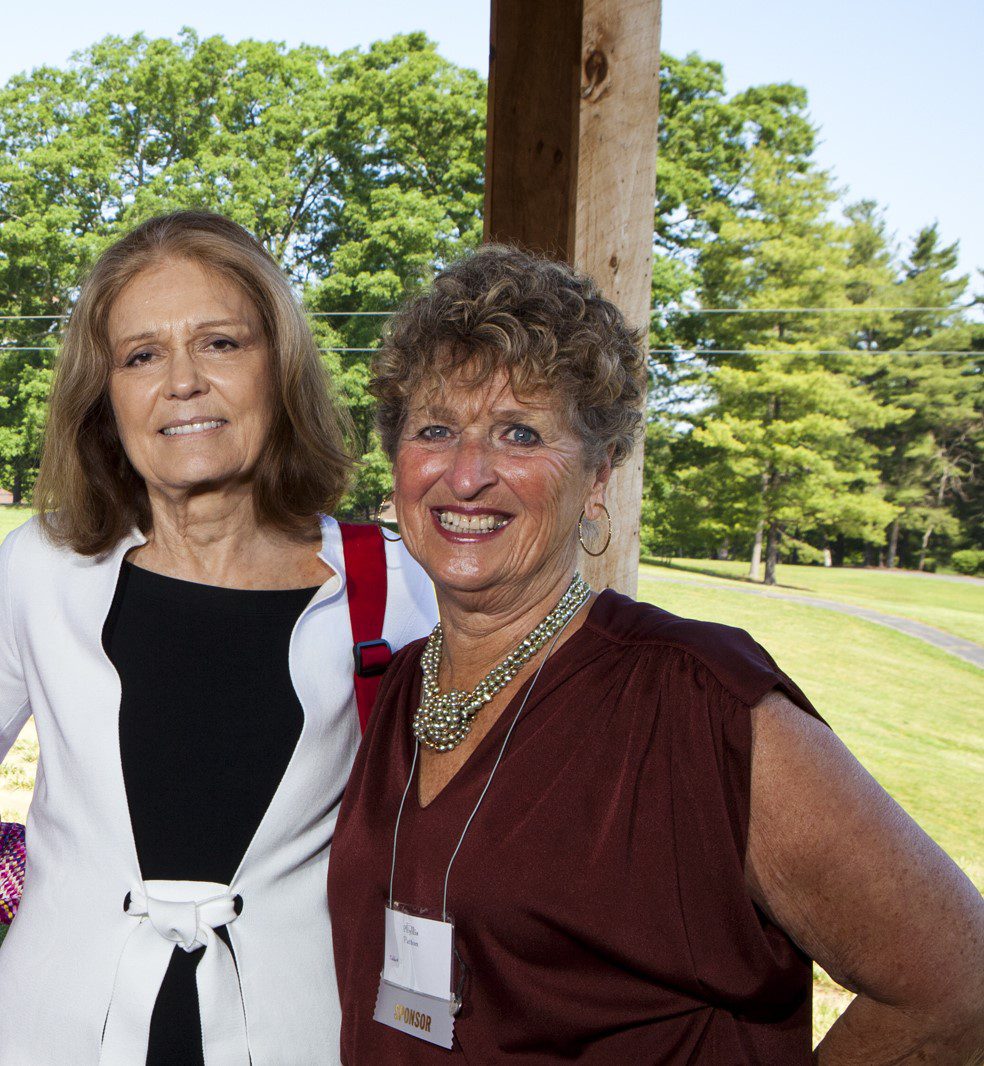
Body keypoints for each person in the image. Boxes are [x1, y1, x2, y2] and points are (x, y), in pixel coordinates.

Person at [327, 245, 984, 1064]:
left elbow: (959, 985)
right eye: (436, 430)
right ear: (398, 460)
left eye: (519, 433)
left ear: (598, 478)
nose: (467, 474)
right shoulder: (401, 690)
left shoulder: (696, 703)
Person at [0, 211, 436, 1065]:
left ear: (280, 367)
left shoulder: (394, 584)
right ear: (106, 394)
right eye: (141, 355)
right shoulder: (41, 568)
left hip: (302, 1037)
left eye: (222, 343)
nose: (183, 382)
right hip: (48, 1033)